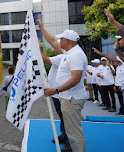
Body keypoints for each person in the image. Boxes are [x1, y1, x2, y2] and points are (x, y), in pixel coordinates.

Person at [44, 29, 87, 152]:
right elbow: (52, 41)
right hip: (68, 97)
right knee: (71, 130)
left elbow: (76, 79)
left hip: (71, 98)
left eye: (61, 39)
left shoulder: (76, 55)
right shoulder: (69, 52)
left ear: (67, 41)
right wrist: (41, 27)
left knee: (74, 132)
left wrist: (56, 90)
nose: (59, 41)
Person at [37, 15, 69, 146]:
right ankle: (64, 135)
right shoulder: (61, 57)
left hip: (61, 93)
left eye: (61, 41)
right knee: (63, 117)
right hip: (56, 93)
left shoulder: (63, 56)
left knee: (66, 118)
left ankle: (68, 140)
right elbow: (51, 42)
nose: (57, 44)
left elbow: (44, 59)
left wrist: (38, 47)